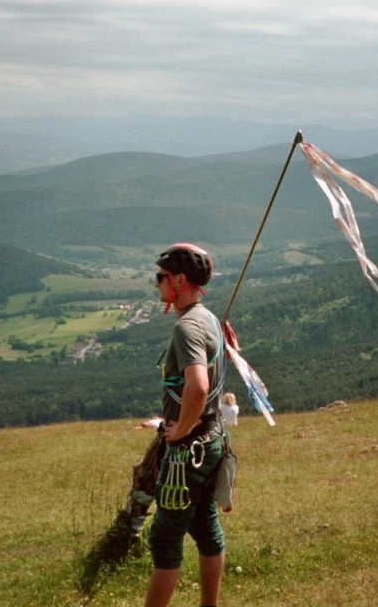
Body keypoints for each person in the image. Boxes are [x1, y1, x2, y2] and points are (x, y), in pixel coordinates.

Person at [145, 243, 233, 607]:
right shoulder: (208, 317)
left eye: (161, 277)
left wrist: (180, 429)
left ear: (179, 280)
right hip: (212, 440)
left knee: (165, 538)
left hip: (188, 450)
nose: (157, 285)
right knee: (204, 525)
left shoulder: (187, 328)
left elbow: (198, 385)